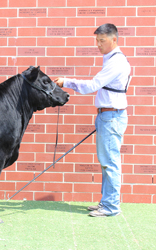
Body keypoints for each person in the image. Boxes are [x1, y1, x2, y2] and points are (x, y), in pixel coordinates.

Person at [54, 23, 131, 217]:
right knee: (107, 161)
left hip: (111, 116)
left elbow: (93, 85)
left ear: (114, 39)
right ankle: (107, 202)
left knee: (110, 163)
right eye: (96, 40)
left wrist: (67, 82)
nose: (98, 44)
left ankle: (111, 207)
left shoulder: (116, 62)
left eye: (102, 41)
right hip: (108, 115)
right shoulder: (111, 59)